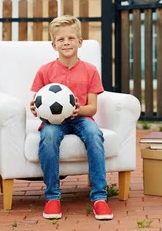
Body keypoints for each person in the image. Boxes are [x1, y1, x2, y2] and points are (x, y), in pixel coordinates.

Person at [29, 14, 113, 221]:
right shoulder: (44, 71)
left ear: (80, 42)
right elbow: (36, 102)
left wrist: (77, 110)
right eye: (61, 39)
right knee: (48, 138)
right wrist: (35, 108)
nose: (66, 42)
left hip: (80, 118)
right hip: (53, 121)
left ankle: (100, 197)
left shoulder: (90, 70)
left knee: (95, 134)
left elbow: (92, 108)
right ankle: (52, 197)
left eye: (71, 38)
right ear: (53, 44)